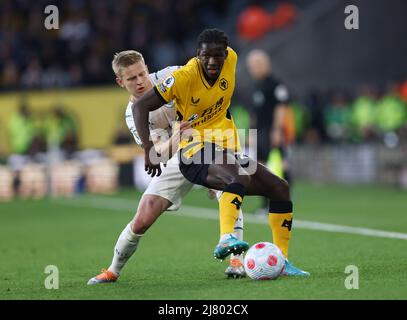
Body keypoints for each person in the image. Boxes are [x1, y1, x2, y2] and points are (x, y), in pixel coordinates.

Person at [132, 28, 309, 276]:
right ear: (197, 55)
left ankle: (282, 262)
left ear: (226, 54)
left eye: (218, 55)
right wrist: (148, 148)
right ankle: (226, 238)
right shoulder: (184, 77)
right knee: (238, 177)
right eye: (206, 56)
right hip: (193, 152)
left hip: (225, 148)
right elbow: (140, 106)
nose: (212, 61)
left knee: (280, 187)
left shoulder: (233, 60)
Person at [88, 50, 246, 285]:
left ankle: (236, 261)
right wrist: (177, 136)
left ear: (147, 67)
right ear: (120, 82)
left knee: (228, 188)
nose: (140, 81)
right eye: (131, 78)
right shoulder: (134, 116)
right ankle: (113, 270)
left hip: (212, 139)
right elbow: (156, 153)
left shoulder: (172, 76)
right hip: (178, 153)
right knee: (144, 215)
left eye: (142, 73)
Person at [245, 49, 293, 214]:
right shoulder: (255, 87)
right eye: (252, 65)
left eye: (258, 64)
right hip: (259, 132)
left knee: (279, 166)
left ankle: (282, 202)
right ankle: (266, 204)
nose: (255, 68)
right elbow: (253, 114)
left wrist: (277, 130)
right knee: (260, 167)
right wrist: (251, 133)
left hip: (272, 131)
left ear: (267, 64)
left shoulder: (275, 85)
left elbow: (281, 107)